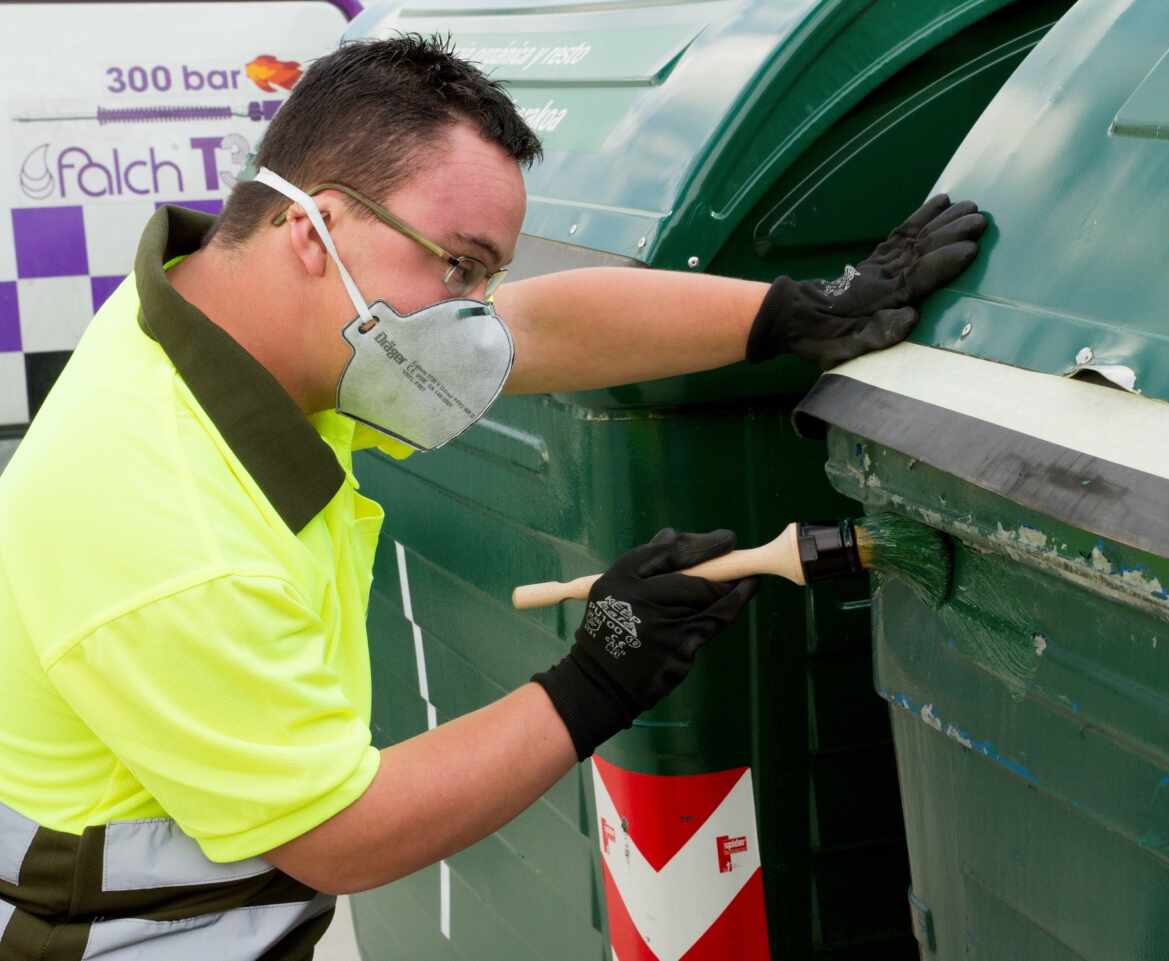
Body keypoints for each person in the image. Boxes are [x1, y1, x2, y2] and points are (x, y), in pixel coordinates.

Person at [0, 34, 987, 959]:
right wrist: (600, 678)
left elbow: (535, 328)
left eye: (487, 273)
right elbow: (340, 834)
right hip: (135, 935)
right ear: (312, 229)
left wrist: (803, 311)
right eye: (460, 264)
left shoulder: (225, 314)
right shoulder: (169, 524)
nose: (473, 315)